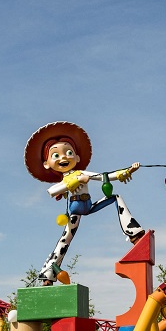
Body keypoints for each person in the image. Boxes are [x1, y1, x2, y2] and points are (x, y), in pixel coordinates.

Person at [24, 122, 144, 284]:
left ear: (77, 157)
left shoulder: (82, 172)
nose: (64, 157)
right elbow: (53, 191)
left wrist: (128, 171)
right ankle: (48, 274)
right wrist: (76, 180)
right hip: (75, 209)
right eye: (56, 155)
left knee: (115, 198)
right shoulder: (69, 178)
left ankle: (133, 232)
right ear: (47, 163)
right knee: (65, 239)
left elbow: (105, 176)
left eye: (68, 152)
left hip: (89, 206)